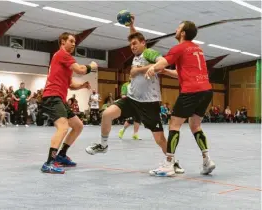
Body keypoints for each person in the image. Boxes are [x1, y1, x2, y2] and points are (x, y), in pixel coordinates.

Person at [85, 15, 184, 174]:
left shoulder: (149, 53)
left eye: (135, 44)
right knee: (106, 114)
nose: (132, 46)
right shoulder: (138, 54)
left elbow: (161, 62)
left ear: (144, 43)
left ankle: (173, 162)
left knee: (159, 139)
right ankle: (103, 145)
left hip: (149, 103)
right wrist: (132, 26)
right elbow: (136, 38)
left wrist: (139, 70)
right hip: (131, 99)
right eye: (130, 44)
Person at [145, 20, 215, 176]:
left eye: (178, 28)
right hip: (206, 91)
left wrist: (153, 68)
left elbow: (163, 61)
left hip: (191, 92)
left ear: (183, 33)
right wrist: (165, 72)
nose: (175, 30)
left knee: (174, 125)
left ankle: (168, 165)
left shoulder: (179, 48)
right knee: (195, 125)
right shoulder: (198, 49)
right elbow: (184, 73)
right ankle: (207, 160)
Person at [40, 32, 97, 174]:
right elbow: (81, 70)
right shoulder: (62, 54)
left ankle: (61, 155)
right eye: (71, 41)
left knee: (78, 126)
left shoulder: (64, 61)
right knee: (63, 127)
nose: (74, 44)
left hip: (60, 98)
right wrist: (91, 66)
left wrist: (82, 86)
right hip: (52, 96)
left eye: (74, 42)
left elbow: (70, 84)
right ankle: (49, 162)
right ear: (62, 42)